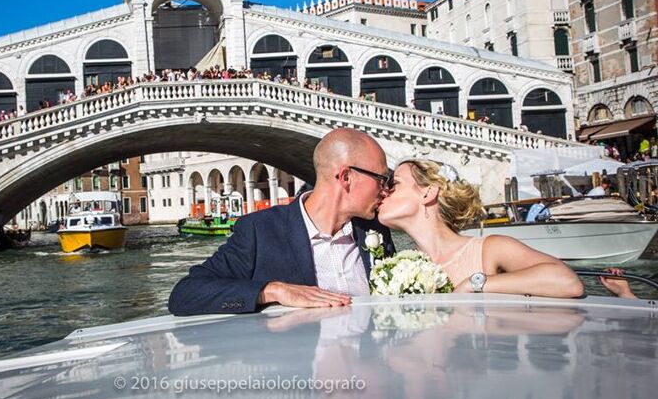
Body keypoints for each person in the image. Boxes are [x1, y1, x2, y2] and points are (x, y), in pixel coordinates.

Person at [168, 128, 395, 316]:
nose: (385, 190)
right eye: (381, 179)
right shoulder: (261, 231)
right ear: (346, 177)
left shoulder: (374, 230)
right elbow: (185, 295)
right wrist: (271, 291)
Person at [377, 159, 583, 297]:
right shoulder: (398, 265)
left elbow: (567, 281)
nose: (384, 192)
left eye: (395, 184)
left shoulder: (490, 249)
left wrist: (473, 285)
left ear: (428, 192)